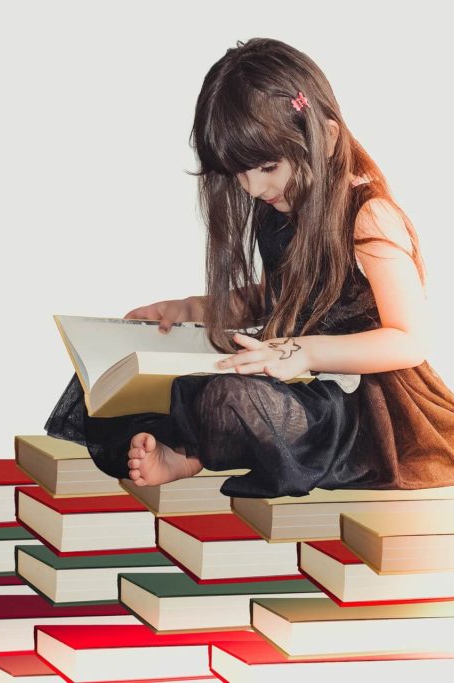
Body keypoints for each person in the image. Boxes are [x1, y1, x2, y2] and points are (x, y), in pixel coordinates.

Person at [44, 37, 454, 499]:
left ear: (328, 137)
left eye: (267, 167)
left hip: (360, 402)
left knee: (233, 399)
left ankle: (190, 453)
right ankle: (186, 448)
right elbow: (273, 297)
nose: (254, 187)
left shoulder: (368, 214)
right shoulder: (278, 209)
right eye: (239, 173)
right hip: (293, 374)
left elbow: (408, 340)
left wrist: (306, 352)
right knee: (117, 380)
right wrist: (189, 308)